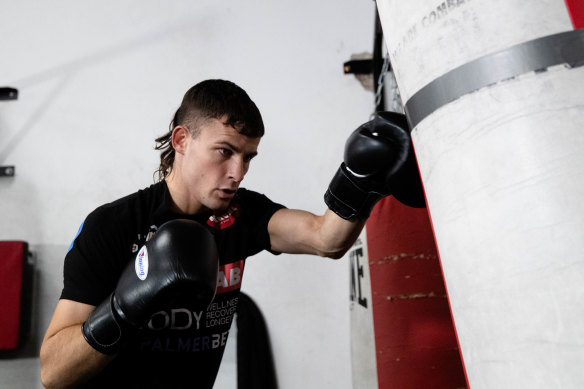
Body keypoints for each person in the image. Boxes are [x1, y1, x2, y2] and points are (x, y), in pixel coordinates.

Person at [39, 79, 413, 388]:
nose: (238, 171)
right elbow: (53, 372)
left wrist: (360, 178)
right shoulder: (114, 226)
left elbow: (324, 238)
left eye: (248, 156)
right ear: (182, 140)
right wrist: (124, 308)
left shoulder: (241, 213)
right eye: (224, 151)